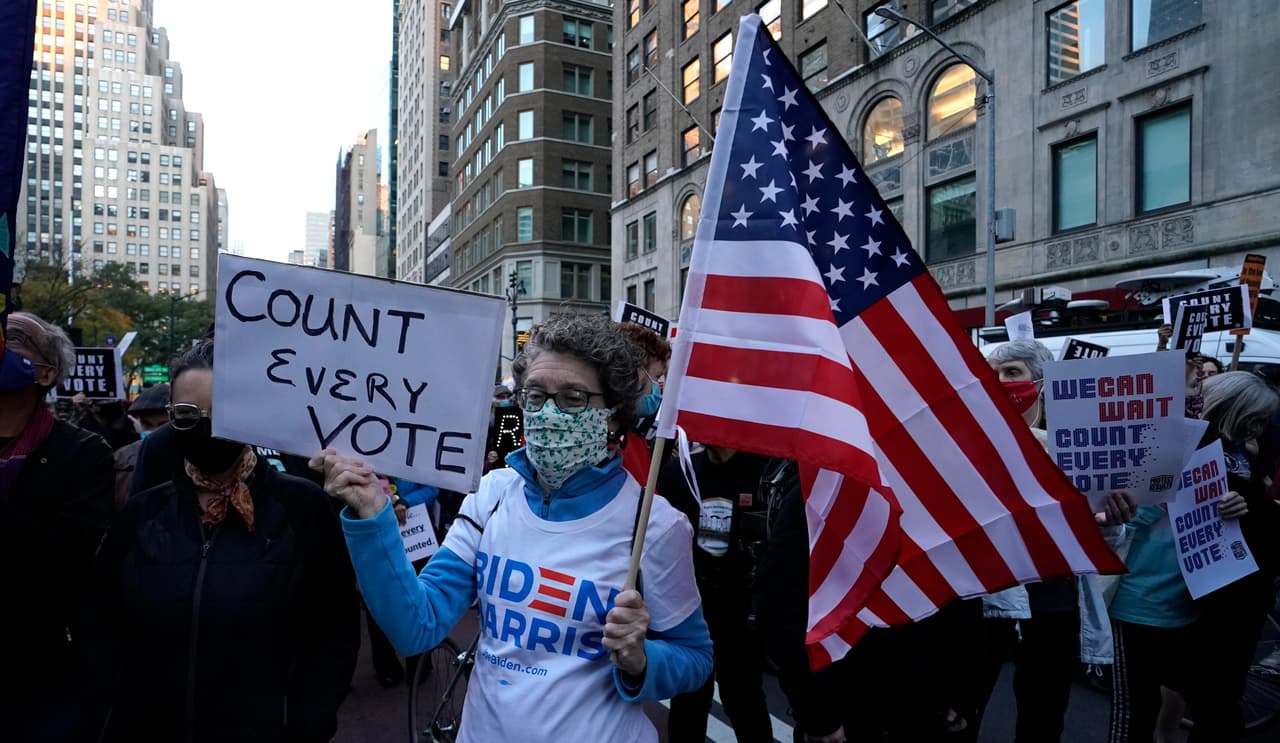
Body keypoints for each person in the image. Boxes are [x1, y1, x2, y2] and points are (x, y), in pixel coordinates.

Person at [315, 312, 712, 742]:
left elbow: (694, 656)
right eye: (536, 395)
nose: (550, 414)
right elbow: (417, 625)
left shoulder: (655, 525)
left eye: (574, 399)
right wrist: (373, 517)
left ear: (613, 415)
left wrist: (641, 659)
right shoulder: (493, 494)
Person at [81, 340, 360, 742]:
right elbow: (102, 621)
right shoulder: (142, 515)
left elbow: (334, 627)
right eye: (187, 415)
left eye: (220, 416)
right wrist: (109, 712)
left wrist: (306, 722)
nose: (205, 428)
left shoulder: (301, 507)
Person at [0, 312, 114, 743]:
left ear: (46, 373)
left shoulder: (83, 454)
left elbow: (62, 557)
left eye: (12, 337)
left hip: (40, 675)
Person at [658, 444, 773, 742]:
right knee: (689, 696)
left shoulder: (764, 474)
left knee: (743, 696)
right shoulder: (679, 472)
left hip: (742, 607)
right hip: (692, 604)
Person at [112, 383, 169, 511]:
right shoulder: (122, 457)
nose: (154, 432)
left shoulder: (191, 461)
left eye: (162, 425)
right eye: (147, 425)